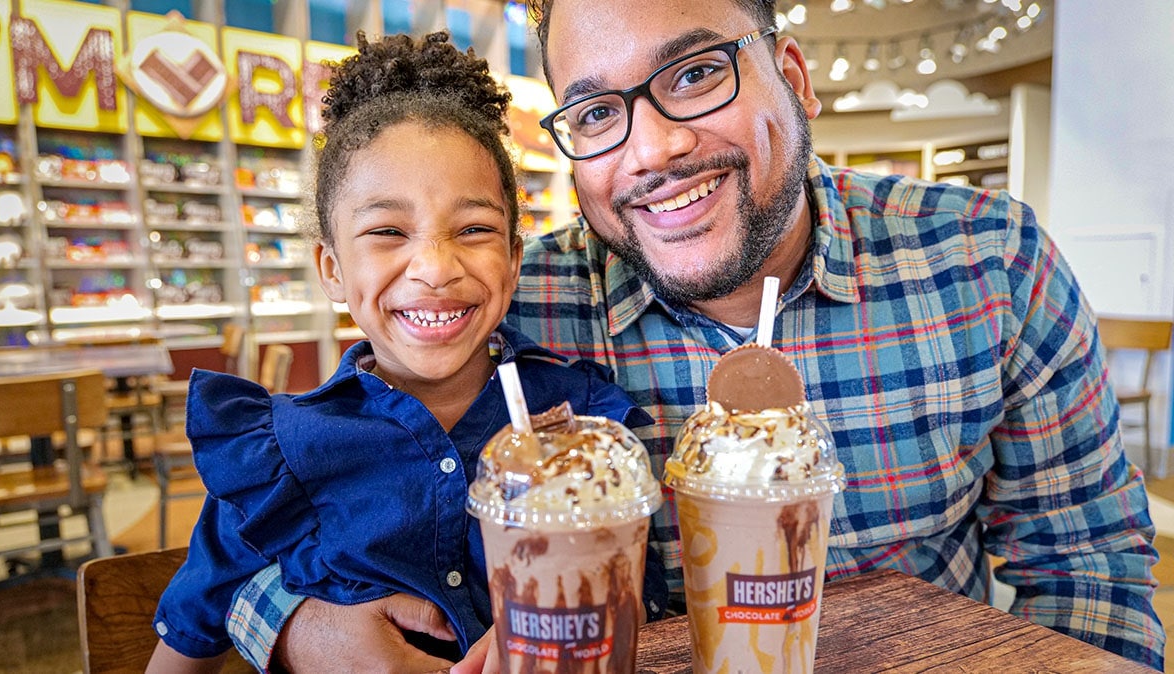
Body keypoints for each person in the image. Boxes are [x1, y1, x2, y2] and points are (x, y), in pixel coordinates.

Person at [227, 1, 1167, 671]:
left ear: (790, 79)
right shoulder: (509, 300)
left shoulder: (985, 261)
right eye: (597, 113)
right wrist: (296, 624)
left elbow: (1087, 567)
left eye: (694, 73)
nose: (652, 148)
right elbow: (314, 478)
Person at [144, 31, 666, 673]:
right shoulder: (276, 456)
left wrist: (577, 616)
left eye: (473, 230)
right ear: (331, 269)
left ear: (512, 259)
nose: (435, 268)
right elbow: (187, 645)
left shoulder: (581, 416)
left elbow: (635, 593)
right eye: (388, 231)